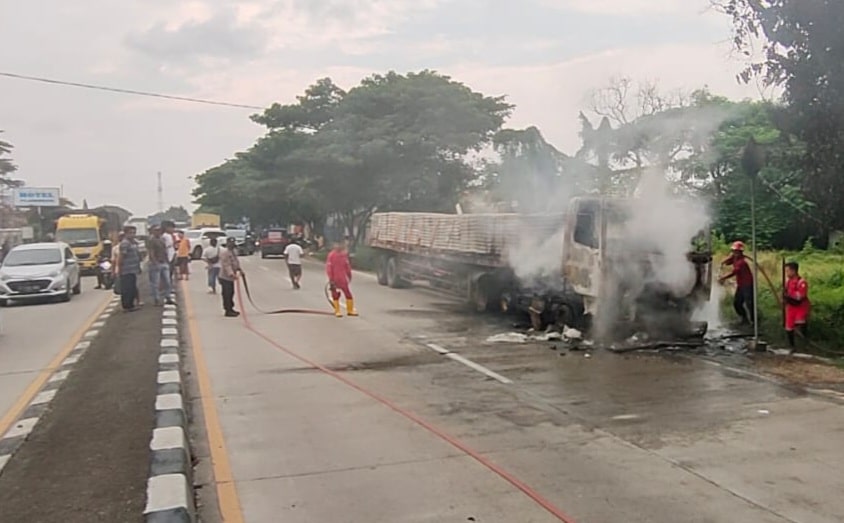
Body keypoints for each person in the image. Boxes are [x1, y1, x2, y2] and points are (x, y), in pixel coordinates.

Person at [719, 240, 754, 325]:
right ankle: (744, 318)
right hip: (741, 284)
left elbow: (734, 272)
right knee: (737, 303)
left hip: (747, 284)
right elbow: (728, 262)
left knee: (749, 303)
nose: (735, 253)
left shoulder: (742, 262)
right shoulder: (735, 258)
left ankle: (754, 321)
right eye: (734, 251)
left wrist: (723, 278)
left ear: (741, 252)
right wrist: (724, 261)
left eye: (737, 251)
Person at [783, 261, 810, 352]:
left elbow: (800, 297)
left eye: (788, 271)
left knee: (801, 324)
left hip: (800, 307)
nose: (786, 273)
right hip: (790, 308)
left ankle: (805, 343)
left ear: (793, 271)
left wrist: (789, 297)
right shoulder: (788, 282)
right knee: (789, 327)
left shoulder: (802, 282)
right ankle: (792, 346)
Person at [326, 241, 357, 317]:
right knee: (335, 294)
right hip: (334, 279)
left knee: (348, 294)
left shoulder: (343, 255)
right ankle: (337, 311)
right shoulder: (331, 255)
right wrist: (331, 279)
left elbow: (347, 266)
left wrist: (349, 275)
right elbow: (329, 268)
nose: (339, 246)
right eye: (337, 244)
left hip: (343, 279)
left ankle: (350, 310)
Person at [116, 225, 141, 311]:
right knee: (127, 289)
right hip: (126, 270)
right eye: (130, 233)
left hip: (133, 269)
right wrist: (119, 269)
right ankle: (127, 306)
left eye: (134, 233)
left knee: (132, 288)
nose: (132, 235)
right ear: (126, 233)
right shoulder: (125, 243)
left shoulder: (133, 242)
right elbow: (121, 257)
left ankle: (131, 305)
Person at [148, 226, 175, 306]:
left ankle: (168, 297)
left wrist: (167, 261)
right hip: (156, 263)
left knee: (167, 281)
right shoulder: (152, 240)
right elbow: (151, 252)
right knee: (155, 283)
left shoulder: (162, 239)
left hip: (164, 262)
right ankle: (156, 299)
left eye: (159, 230)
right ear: (153, 231)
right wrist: (155, 262)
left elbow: (165, 251)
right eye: (156, 230)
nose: (158, 232)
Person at [219, 237, 243, 317]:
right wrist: (231, 274)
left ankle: (231, 308)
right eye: (230, 243)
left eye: (233, 243)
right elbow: (226, 265)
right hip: (225, 277)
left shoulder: (233, 252)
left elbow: (235, 262)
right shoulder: (225, 253)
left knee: (231, 293)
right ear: (227, 243)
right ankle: (227, 310)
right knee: (227, 294)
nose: (232, 244)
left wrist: (240, 269)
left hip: (230, 278)